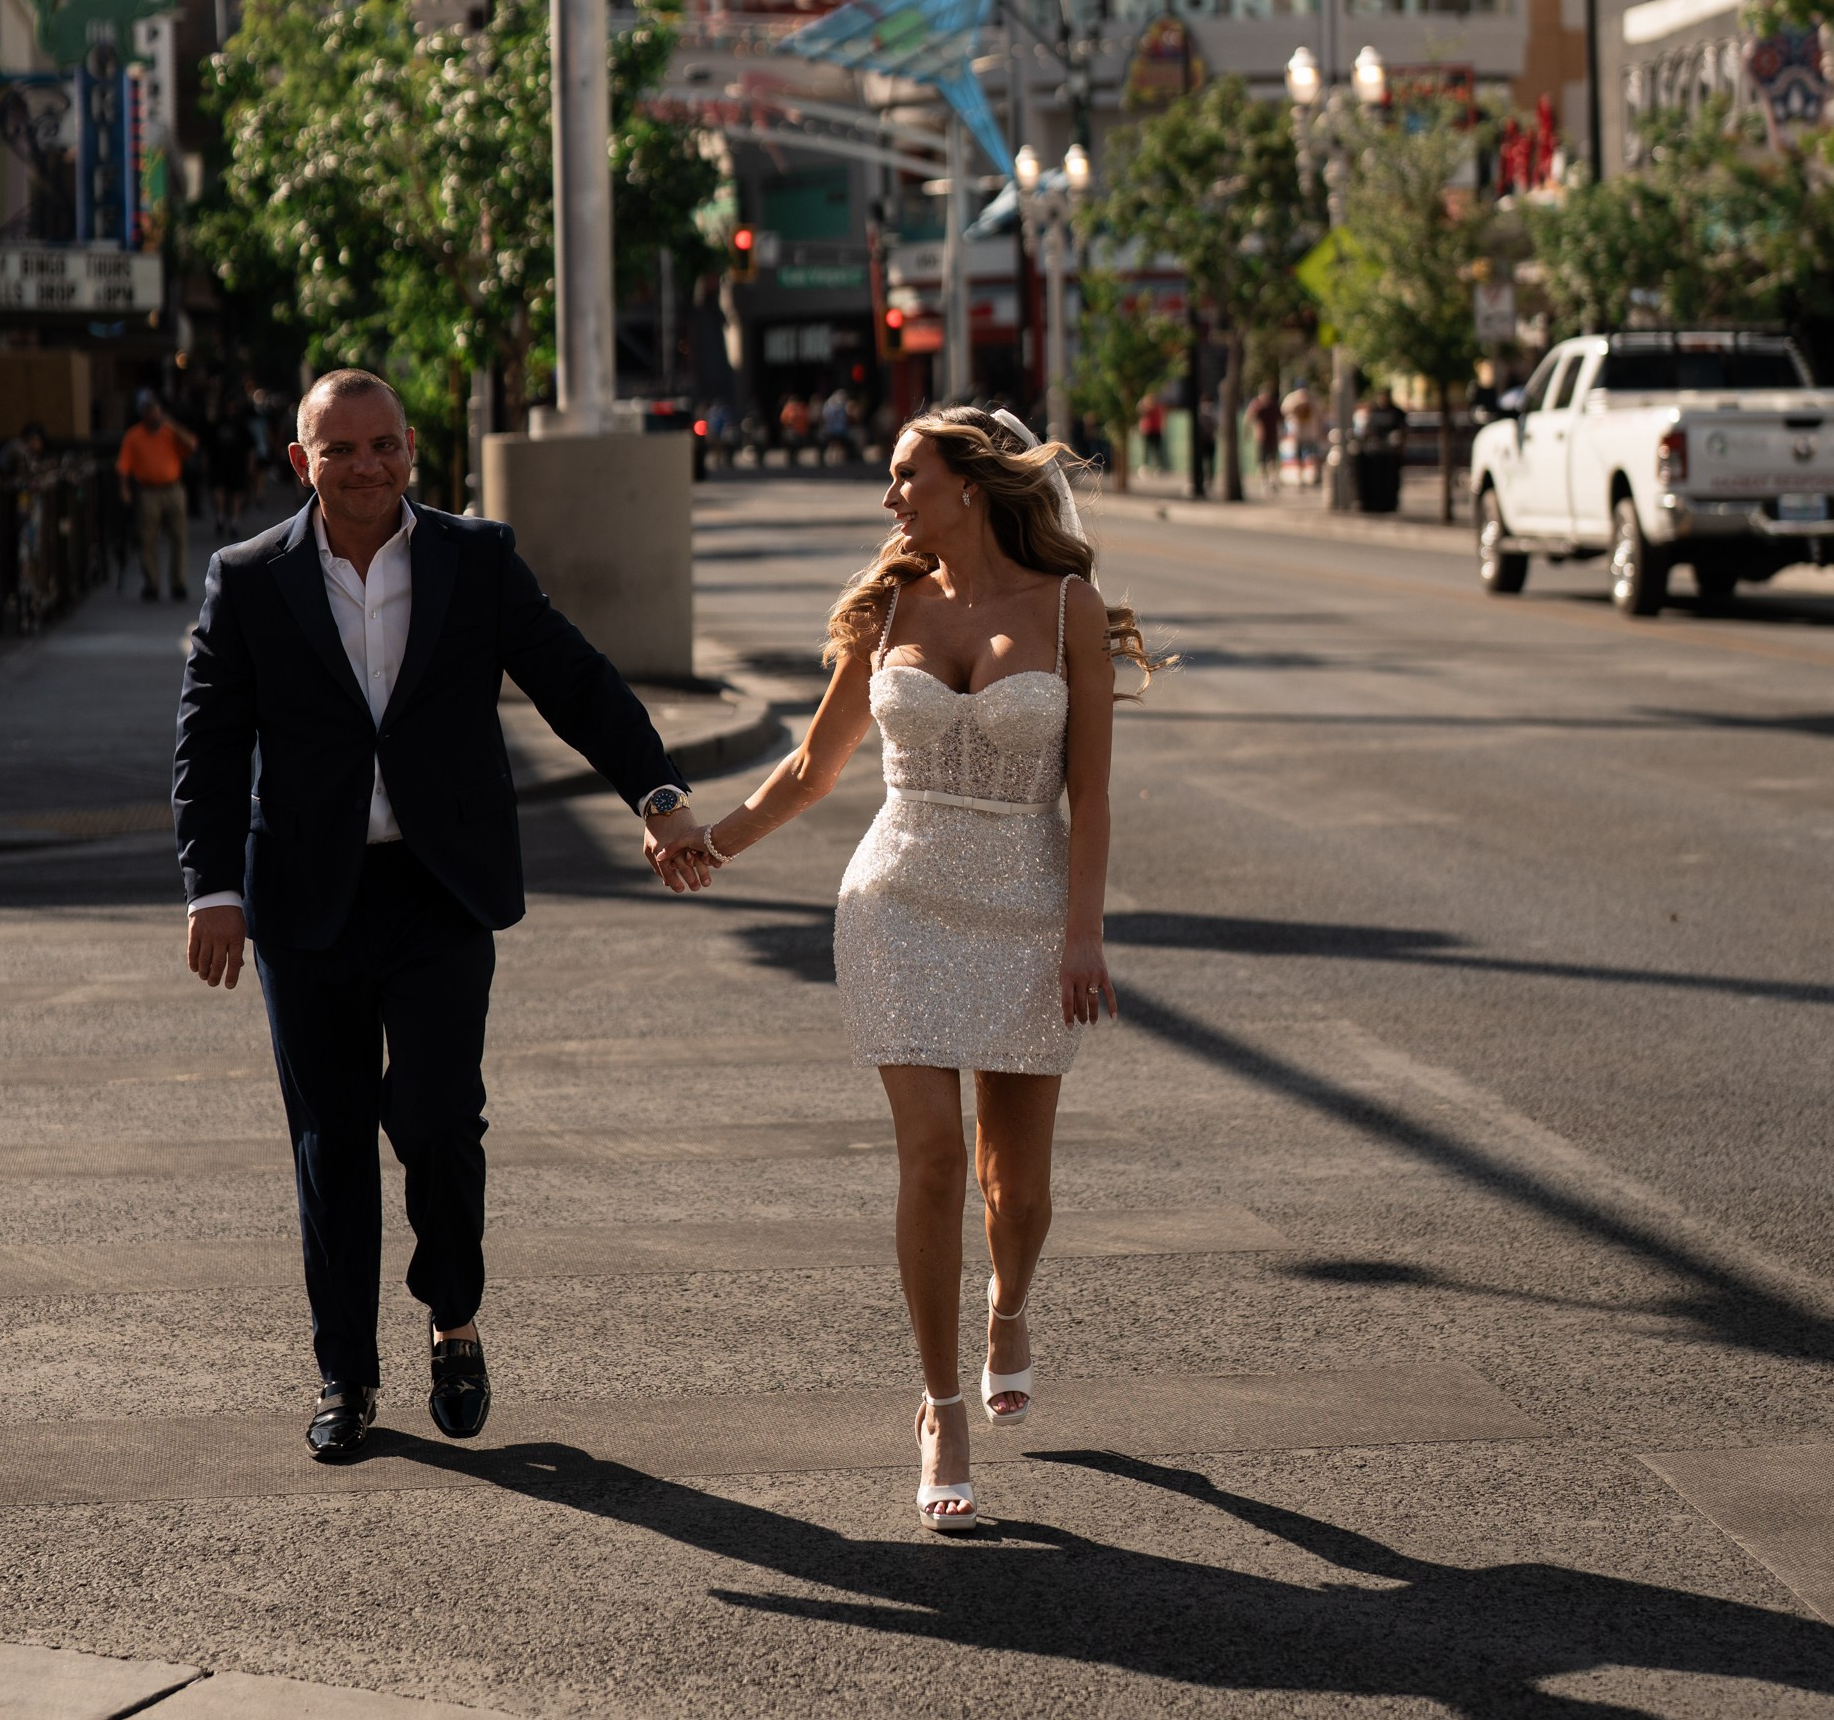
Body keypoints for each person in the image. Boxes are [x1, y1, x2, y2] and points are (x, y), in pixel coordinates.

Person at [172, 367, 712, 1462]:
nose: (367, 467)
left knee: (435, 1120)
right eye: (341, 449)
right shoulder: (248, 579)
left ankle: (452, 1314)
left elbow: (572, 678)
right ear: (301, 462)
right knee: (328, 1142)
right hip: (305, 901)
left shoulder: (475, 558)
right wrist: (214, 888)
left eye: (385, 446)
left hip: (439, 888)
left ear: (411, 449)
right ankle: (344, 1375)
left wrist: (653, 791)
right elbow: (210, 743)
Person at [691, 408, 1153, 1530]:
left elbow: (1088, 795)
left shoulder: (1066, 609)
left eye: (905, 475)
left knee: (1019, 1189)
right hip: (896, 900)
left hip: (1028, 906)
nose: (889, 497)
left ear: (970, 482)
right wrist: (708, 844)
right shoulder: (889, 607)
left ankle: (1009, 1308)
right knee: (933, 1158)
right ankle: (938, 1402)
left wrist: (1084, 929)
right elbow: (810, 768)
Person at [118, 391, 197, 603]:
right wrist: (124, 489)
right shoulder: (133, 436)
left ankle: (177, 583)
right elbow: (123, 467)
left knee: (178, 537)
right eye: (148, 410)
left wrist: (172, 426)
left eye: (155, 409)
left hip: (173, 489)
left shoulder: (170, 432)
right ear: (142, 413)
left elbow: (191, 445)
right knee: (147, 538)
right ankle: (151, 583)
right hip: (147, 491)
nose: (152, 414)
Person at [206, 395, 256, 543]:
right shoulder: (216, 424)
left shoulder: (241, 425)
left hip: (237, 463)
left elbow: (250, 448)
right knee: (218, 490)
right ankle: (221, 517)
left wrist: (250, 466)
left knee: (236, 493)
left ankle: (234, 521)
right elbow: (208, 446)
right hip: (219, 462)